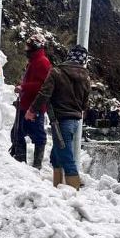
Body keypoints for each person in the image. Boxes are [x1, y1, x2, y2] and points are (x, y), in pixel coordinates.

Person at [25, 45, 91, 190]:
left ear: (69, 56)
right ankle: (58, 185)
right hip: (74, 121)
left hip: (60, 120)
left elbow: (44, 94)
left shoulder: (56, 72)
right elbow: (85, 104)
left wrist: (32, 110)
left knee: (66, 156)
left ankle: (74, 191)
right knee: (57, 154)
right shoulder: (86, 78)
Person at [12, 34, 51, 169]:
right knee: (17, 133)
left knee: (38, 136)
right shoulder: (35, 61)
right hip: (25, 105)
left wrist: (23, 87)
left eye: (28, 46)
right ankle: (21, 163)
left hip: (34, 107)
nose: (26, 49)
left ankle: (36, 166)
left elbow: (43, 85)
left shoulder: (42, 62)